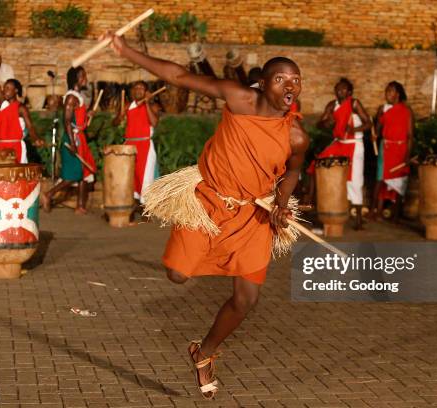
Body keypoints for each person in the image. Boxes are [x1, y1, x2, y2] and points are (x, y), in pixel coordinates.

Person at [102, 31, 308, 399]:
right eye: (281, 78)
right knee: (177, 275)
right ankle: (202, 346)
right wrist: (124, 50)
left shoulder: (296, 135)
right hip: (207, 202)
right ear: (263, 84)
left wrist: (280, 203)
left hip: (252, 216)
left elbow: (292, 171)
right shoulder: (238, 98)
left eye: (295, 79)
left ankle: (205, 352)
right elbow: (178, 76)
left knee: (246, 299)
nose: (290, 85)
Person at [304, 78, 372, 230]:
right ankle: (313, 199)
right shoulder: (331, 105)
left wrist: (353, 130)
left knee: (355, 180)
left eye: (343, 89)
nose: (339, 92)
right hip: (338, 143)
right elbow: (320, 123)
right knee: (319, 163)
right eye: (337, 89)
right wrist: (326, 123)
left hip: (354, 145)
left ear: (349, 92)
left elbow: (368, 123)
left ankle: (359, 219)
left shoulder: (354, 103)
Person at [40, 66, 97, 215]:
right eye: (83, 76)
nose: (86, 79)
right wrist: (72, 143)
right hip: (73, 138)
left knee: (84, 172)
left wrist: (88, 114)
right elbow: (66, 122)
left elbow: (78, 119)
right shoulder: (71, 97)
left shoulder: (78, 97)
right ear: (76, 80)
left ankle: (80, 206)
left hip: (79, 137)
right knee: (72, 175)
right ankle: (49, 194)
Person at [0, 54, 44, 163]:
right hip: (0, 147)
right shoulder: (3, 102)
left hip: (15, 148)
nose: (5, 90)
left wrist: (35, 139)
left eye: (9, 88)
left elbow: (30, 127)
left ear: (16, 91)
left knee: (17, 177)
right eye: (5, 88)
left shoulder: (21, 108)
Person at [372, 81, 414, 222]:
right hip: (387, 147)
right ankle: (376, 211)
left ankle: (396, 214)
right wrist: (378, 117)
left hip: (401, 149)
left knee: (400, 180)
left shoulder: (406, 111)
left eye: (390, 91)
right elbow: (377, 132)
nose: (387, 94)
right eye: (386, 91)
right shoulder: (384, 109)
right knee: (381, 179)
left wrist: (407, 156)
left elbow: (409, 135)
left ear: (398, 94)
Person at [113, 81, 160, 204]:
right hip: (129, 146)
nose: (138, 90)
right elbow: (115, 123)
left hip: (145, 146)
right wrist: (120, 116)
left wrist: (147, 103)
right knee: (130, 177)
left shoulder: (153, 106)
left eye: (142, 88)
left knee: (145, 177)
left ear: (146, 92)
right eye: (136, 88)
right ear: (132, 91)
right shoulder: (128, 106)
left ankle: (146, 209)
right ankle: (131, 206)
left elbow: (154, 123)